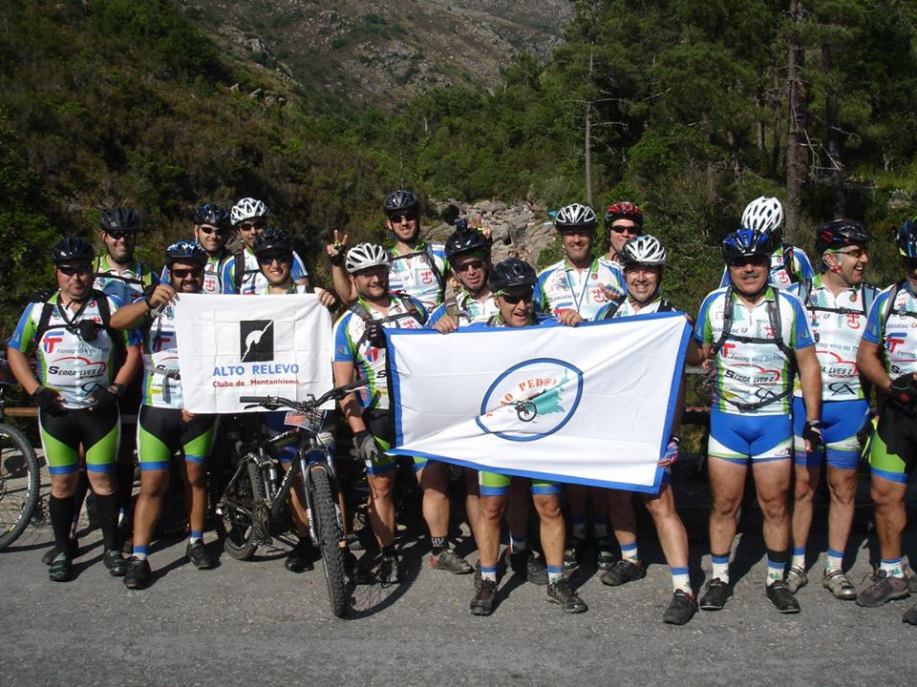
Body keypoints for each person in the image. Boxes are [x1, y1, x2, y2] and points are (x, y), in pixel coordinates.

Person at [695, 228, 822, 614]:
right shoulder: (714, 304)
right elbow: (698, 352)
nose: (748, 269)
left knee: (774, 505)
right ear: (729, 267)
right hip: (728, 420)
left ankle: (776, 580)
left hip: (773, 421)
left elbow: (808, 364)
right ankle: (719, 578)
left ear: (768, 264)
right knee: (724, 504)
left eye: (756, 261)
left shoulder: (789, 307)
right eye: (739, 262)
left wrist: (813, 419)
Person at [333, 242, 471, 583]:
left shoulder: (413, 306)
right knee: (381, 488)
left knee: (434, 481)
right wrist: (358, 431)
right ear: (354, 278)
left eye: (380, 271)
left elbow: (447, 333)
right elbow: (343, 386)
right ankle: (388, 554)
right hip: (378, 415)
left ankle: (440, 550)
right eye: (366, 274)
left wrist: (445, 325)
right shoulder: (347, 323)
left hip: (419, 410)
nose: (375, 279)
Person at [6, 237, 141, 582]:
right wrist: (36, 391)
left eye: (82, 270)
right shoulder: (39, 310)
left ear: (91, 272)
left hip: (99, 411)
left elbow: (133, 351)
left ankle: (111, 549)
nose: (76, 278)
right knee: (63, 484)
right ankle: (64, 551)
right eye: (68, 271)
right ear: (57, 273)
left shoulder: (110, 306)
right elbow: (15, 350)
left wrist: (116, 388)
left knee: (104, 480)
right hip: (58, 412)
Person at [428, 223, 548, 586]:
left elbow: (546, 332)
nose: (471, 271)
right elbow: (424, 357)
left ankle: (520, 550)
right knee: (474, 484)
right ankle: (488, 557)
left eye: (477, 263)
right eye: (462, 266)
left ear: (487, 261)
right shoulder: (447, 310)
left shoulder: (512, 292)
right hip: (474, 408)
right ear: (453, 271)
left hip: (516, 404)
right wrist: (436, 330)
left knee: (517, 485)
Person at [467, 257, 588, 616]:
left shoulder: (552, 327)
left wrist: (580, 327)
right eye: (511, 298)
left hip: (542, 433)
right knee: (492, 508)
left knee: (549, 505)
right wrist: (440, 329)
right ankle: (488, 579)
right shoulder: (477, 333)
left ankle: (557, 580)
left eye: (526, 297)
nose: (520, 306)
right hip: (498, 435)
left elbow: (595, 350)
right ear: (496, 299)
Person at [593, 235, 699, 625]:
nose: (641, 278)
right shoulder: (608, 314)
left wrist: (688, 331)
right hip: (616, 423)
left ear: (660, 274)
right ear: (624, 273)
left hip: (655, 426)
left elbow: (695, 360)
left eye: (649, 271)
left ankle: (684, 588)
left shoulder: (673, 315)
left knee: (660, 503)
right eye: (635, 270)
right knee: (617, 495)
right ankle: (631, 559)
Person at [109, 241, 218, 589]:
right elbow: (116, 321)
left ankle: (196, 542)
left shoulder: (212, 305)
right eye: (181, 272)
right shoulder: (153, 301)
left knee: (196, 478)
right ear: (169, 271)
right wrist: (146, 302)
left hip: (198, 405)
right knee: (152, 484)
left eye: (194, 272)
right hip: (157, 406)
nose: (188, 278)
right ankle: (139, 557)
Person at [785, 220, 877, 600]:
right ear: (830, 259)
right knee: (803, 487)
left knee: (844, 488)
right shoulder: (798, 295)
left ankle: (835, 568)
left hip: (850, 405)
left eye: (864, 252)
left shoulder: (872, 299)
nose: (864, 259)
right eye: (855, 253)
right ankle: (796, 565)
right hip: (803, 404)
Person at [534, 202, 625, 570]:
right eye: (570, 232)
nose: (576, 239)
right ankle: (576, 530)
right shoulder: (546, 278)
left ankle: (602, 533)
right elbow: (530, 323)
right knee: (570, 461)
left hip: (606, 381)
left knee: (599, 462)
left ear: (592, 236)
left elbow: (637, 313)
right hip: (562, 383)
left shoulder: (617, 274)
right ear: (561, 238)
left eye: (583, 232)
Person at [247, 227, 336, 572]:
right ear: (259, 264)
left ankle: (337, 541)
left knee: (323, 463)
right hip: (274, 397)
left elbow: (333, 322)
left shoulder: (310, 295)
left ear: (291, 261)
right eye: (267, 259)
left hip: (310, 395)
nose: (275, 265)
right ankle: (303, 538)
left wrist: (329, 302)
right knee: (290, 471)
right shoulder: (250, 301)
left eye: (281, 258)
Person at [855, 218, 917, 624]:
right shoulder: (889, 299)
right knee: (883, 494)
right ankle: (893, 574)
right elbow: (866, 355)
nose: (916, 270)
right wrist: (890, 386)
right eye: (911, 263)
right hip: (899, 411)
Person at [94, 207, 159, 548]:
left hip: (135, 366)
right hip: (96, 365)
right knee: (88, 447)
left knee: (124, 448)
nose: (122, 240)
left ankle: (121, 516)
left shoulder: (147, 275)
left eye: (128, 235)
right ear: (104, 236)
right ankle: (75, 526)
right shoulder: (89, 270)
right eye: (116, 234)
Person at [327, 190, 448, 313]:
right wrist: (337, 262)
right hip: (400, 323)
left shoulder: (440, 253)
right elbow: (349, 296)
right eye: (397, 219)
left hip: (438, 323)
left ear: (418, 219)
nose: (404, 223)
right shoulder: (382, 260)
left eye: (410, 217)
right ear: (389, 224)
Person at [719, 196, 815, 290]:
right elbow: (724, 293)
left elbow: (813, 292)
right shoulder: (736, 260)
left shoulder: (794, 256)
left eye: (763, 239)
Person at [221, 197, 310, 294]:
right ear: (238, 232)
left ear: (266, 225)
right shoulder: (231, 265)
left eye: (258, 225)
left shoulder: (287, 255)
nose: (253, 232)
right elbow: (228, 302)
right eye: (246, 227)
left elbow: (303, 295)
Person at [161, 204, 233, 294]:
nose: (213, 236)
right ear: (196, 230)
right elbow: (163, 292)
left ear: (226, 234)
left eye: (220, 232)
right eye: (207, 230)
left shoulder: (233, 263)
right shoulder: (179, 257)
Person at [602, 201, 644, 266]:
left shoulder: (646, 267)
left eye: (632, 230)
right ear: (608, 233)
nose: (625, 234)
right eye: (619, 229)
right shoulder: (593, 268)